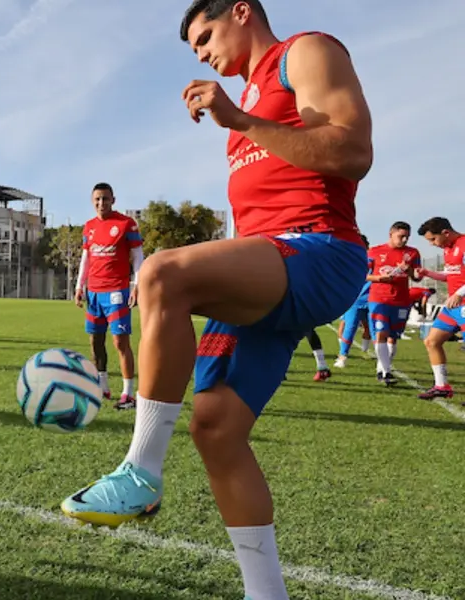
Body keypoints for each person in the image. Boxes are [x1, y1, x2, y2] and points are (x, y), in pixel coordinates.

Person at [62, 2, 373, 599]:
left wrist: (241, 120)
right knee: (215, 429)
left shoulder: (305, 52)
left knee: (159, 275)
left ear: (241, 11)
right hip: (273, 268)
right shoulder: (246, 99)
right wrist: (242, 119)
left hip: (319, 251)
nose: (201, 53)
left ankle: (141, 472)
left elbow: (352, 152)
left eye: (205, 37)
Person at [75, 182, 143, 410]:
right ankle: (102, 386)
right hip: (93, 292)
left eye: (105, 199)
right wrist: (79, 286)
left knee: (120, 342)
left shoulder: (126, 224)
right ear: (92, 201)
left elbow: (137, 257)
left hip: (116, 291)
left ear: (113, 200)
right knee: (95, 341)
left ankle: (128, 394)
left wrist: (137, 285)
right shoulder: (89, 227)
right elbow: (86, 259)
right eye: (97, 199)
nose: (101, 203)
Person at [413, 217, 464, 401]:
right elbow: (449, 275)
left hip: (462, 303)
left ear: (445, 233)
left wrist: (459, 293)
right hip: (453, 307)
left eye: (433, 240)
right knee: (431, 341)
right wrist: (428, 273)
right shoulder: (448, 249)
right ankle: (442, 386)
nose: (432, 244)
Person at [365, 222, 422, 385]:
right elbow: (363, 274)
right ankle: (386, 372)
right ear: (391, 234)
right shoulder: (375, 251)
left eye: (407, 237)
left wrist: (409, 270)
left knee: (393, 337)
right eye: (401, 236)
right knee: (381, 333)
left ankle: (382, 369)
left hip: (401, 300)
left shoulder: (412, 253)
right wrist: (379, 278)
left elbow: (417, 277)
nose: (404, 240)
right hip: (379, 299)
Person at [333, 235, 371, 368]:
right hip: (355, 299)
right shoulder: (350, 260)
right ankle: (342, 356)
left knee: (372, 329)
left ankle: (369, 353)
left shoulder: (373, 258)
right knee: (349, 327)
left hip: (373, 299)